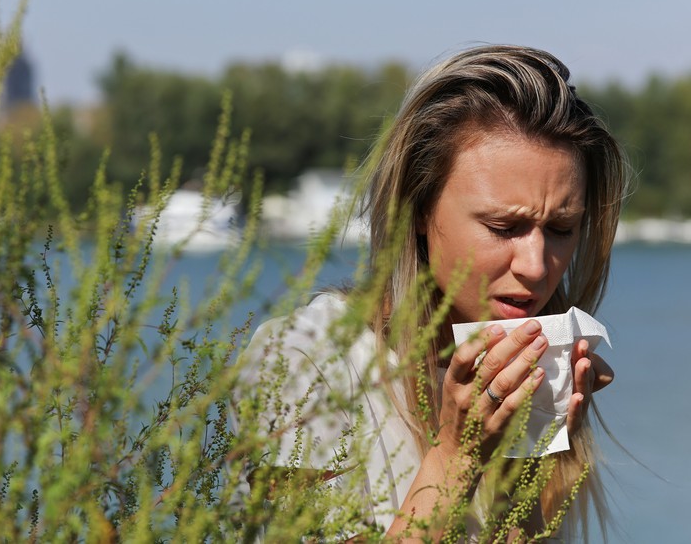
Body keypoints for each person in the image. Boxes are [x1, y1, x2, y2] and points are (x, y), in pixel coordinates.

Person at [233, 45, 626, 541]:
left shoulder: (534, 364)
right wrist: (456, 457)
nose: (535, 266)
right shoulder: (303, 361)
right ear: (418, 209)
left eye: (562, 228)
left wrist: (530, 445)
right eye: (504, 227)